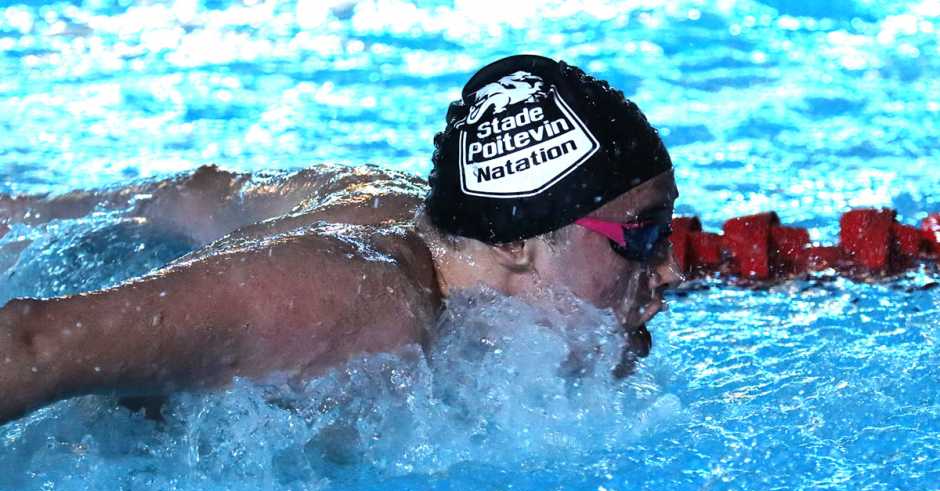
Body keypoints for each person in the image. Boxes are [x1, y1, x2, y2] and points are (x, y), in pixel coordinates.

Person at [0, 54, 682, 424]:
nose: (672, 270)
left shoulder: (385, 199)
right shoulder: (355, 301)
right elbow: (29, 343)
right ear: (515, 242)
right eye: (645, 234)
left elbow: (195, 196)